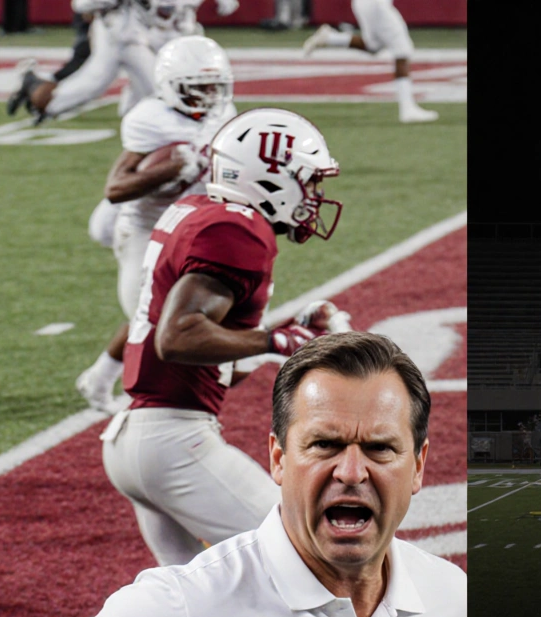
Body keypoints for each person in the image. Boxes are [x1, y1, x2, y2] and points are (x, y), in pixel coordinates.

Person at [14, 332, 465, 617]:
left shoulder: (455, 600)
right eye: (324, 445)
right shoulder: (186, 604)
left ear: (418, 466)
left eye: (379, 448)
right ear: (278, 459)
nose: (351, 472)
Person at [93, 106, 352, 567]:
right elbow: (177, 337)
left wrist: (290, 332)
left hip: (136, 440)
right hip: (172, 441)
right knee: (316, 558)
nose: (315, 196)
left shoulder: (199, 210)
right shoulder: (238, 229)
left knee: (197, 599)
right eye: (308, 181)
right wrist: (276, 341)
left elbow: (223, 367)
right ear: (271, 177)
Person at [74, 35, 237, 414]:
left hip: (192, 227)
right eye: (199, 87)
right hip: (146, 230)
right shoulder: (151, 119)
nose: (210, 95)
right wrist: (172, 168)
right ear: (170, 86)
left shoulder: (223, 113)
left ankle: (98, 379)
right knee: (153, 320)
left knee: (160, 313)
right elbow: (116, 188)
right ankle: (144, 407)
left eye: (215, 86)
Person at [5, 0, 238, 124]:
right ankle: (40, 95)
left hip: (162, 33)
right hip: (120, 34)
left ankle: (132, 115)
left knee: (156, 82)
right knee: (147, 86)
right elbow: (82, 4)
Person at [300, 0, 438, 123]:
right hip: (376, 4)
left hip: (365, 3)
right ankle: (407, 109)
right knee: (402, 50)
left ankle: (329, 38)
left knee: (373, 45)